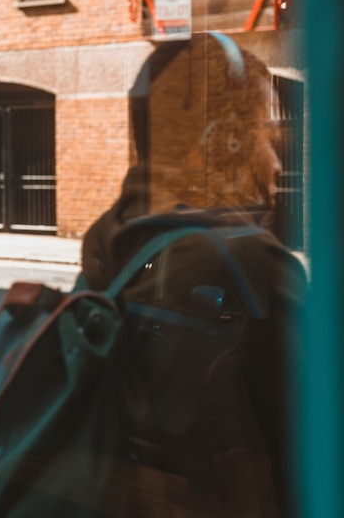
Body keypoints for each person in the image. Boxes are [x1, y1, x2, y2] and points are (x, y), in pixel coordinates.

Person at [81, 32, 308, 517]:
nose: (276, 163)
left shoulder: (106, 243)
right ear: (220, 141)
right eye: (266, 136)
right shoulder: (254, 268)